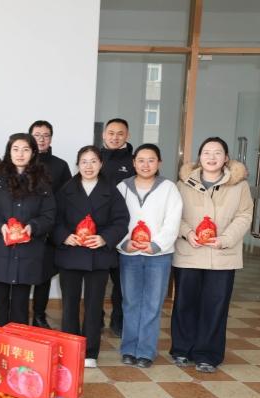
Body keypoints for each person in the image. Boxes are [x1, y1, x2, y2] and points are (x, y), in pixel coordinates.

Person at [170, 137, 253, 373]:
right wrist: (187, 233)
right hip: (190, 253)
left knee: (215, 306)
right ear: (200, 157)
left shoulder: (239, 186)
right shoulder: (183, 184)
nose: (212, 157)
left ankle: (208, 354)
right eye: (206, 152)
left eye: (217, 153)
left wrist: (225, 239)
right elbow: (174, 215)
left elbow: (245, 215)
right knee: (185, 303)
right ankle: (182, 349)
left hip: (223, 255)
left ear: (226, 158)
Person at [53, 146, 129, 368]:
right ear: (77, 164)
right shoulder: (65, 189)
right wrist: (64, 236)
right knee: (70, 305)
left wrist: (105, 238)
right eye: (84, 161)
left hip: (98, 255)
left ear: (101, 164)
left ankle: (90, 352)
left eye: (93, 161)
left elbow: (121, 221)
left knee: (94, 306)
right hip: (71, 254)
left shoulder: (111, 190)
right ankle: (69, 350)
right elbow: (53, 219)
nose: (89, 166)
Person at [0, 133, 56, 326]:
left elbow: (49, 215)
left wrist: (33, 227)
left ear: (33, 153)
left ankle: (17, 344)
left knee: (21, 306)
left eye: (25, 149)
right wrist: (0, 226)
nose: (20, 154)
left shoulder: (42, 182)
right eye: (15, 149)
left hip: (28, 251)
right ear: (9, 152)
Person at [116, 144, 182, 368]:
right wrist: (124, 243)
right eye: (141, 160)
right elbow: (114, 219)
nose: (146, 165)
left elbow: (173, 221)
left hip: (159, 256)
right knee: (130, 303)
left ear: (159, 163)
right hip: (129, 254)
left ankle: (145, 351)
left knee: (153, 305)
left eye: (151, 160)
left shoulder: (169, 188)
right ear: (133, 163)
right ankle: (128, 349)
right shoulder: (122, 187)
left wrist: (156, 245)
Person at [28, 120, 72, 328]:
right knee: (21, 274)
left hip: (48, 231)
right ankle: (17, 316)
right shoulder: (21, 160)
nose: (41, 139)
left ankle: (39, 315)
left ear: (51, 139)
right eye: (37, 135)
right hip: (23, 229)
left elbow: (67, 199)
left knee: (44, 275)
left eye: (46, 135)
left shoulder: (60, 165)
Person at [99, 118, 135, 338]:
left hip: (124, 230)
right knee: (97, 280)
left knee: (121, 282)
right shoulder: (95, 157)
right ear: (104, 134)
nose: (115, 137)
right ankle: (96, 318)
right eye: (111, 133)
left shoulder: (134, 161)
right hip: (97, 232)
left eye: (120, 133)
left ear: (127, 136)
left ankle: (118, 321)